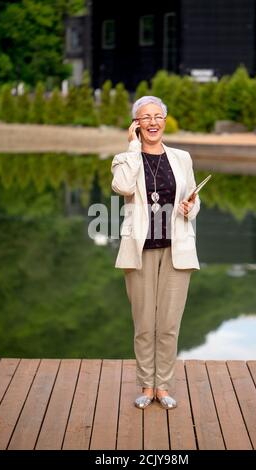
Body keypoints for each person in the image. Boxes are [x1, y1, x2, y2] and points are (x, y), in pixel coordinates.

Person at [111, 96, 201, 410]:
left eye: (157, 116)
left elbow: (193, 195)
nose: (152, 122)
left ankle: (163, 387)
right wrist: (133, 148)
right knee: (144, 325)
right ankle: (146, 386)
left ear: (165, 119)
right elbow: (122, 187)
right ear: (136, 124)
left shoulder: (182, 157)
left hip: (177, 250)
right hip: (140, 251)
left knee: (169, 324)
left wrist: (190, 208)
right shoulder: (124, 159)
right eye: (144, 117)